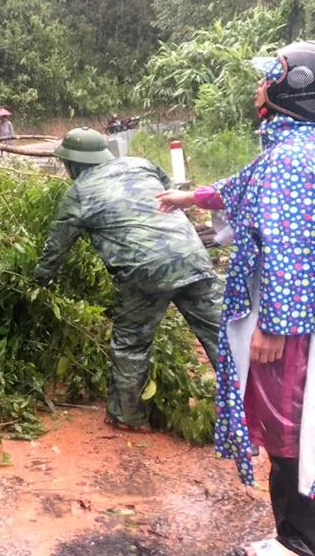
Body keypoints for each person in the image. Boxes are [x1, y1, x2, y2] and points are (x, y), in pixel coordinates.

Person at [157, 41, 315, 556]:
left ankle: (297, 540)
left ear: (291, 89)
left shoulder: (290, 160)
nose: (257, 88)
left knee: (288, 428)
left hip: (289, 323)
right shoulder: (294, 149)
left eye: (266, 79)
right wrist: (189, 196)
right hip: (300, 314)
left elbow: (289, 247)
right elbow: (242, 184)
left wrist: (274, 326)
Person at [34, 127, 223, 431]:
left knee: (131, 343)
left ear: (72, 163)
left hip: (142, 272)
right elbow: (171, 197)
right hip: (192, 257)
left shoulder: (78, 192)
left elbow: (57, 246)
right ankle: (252, 406)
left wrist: (39, 281)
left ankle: (128, 416)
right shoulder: (142, 164)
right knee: (220, 334)